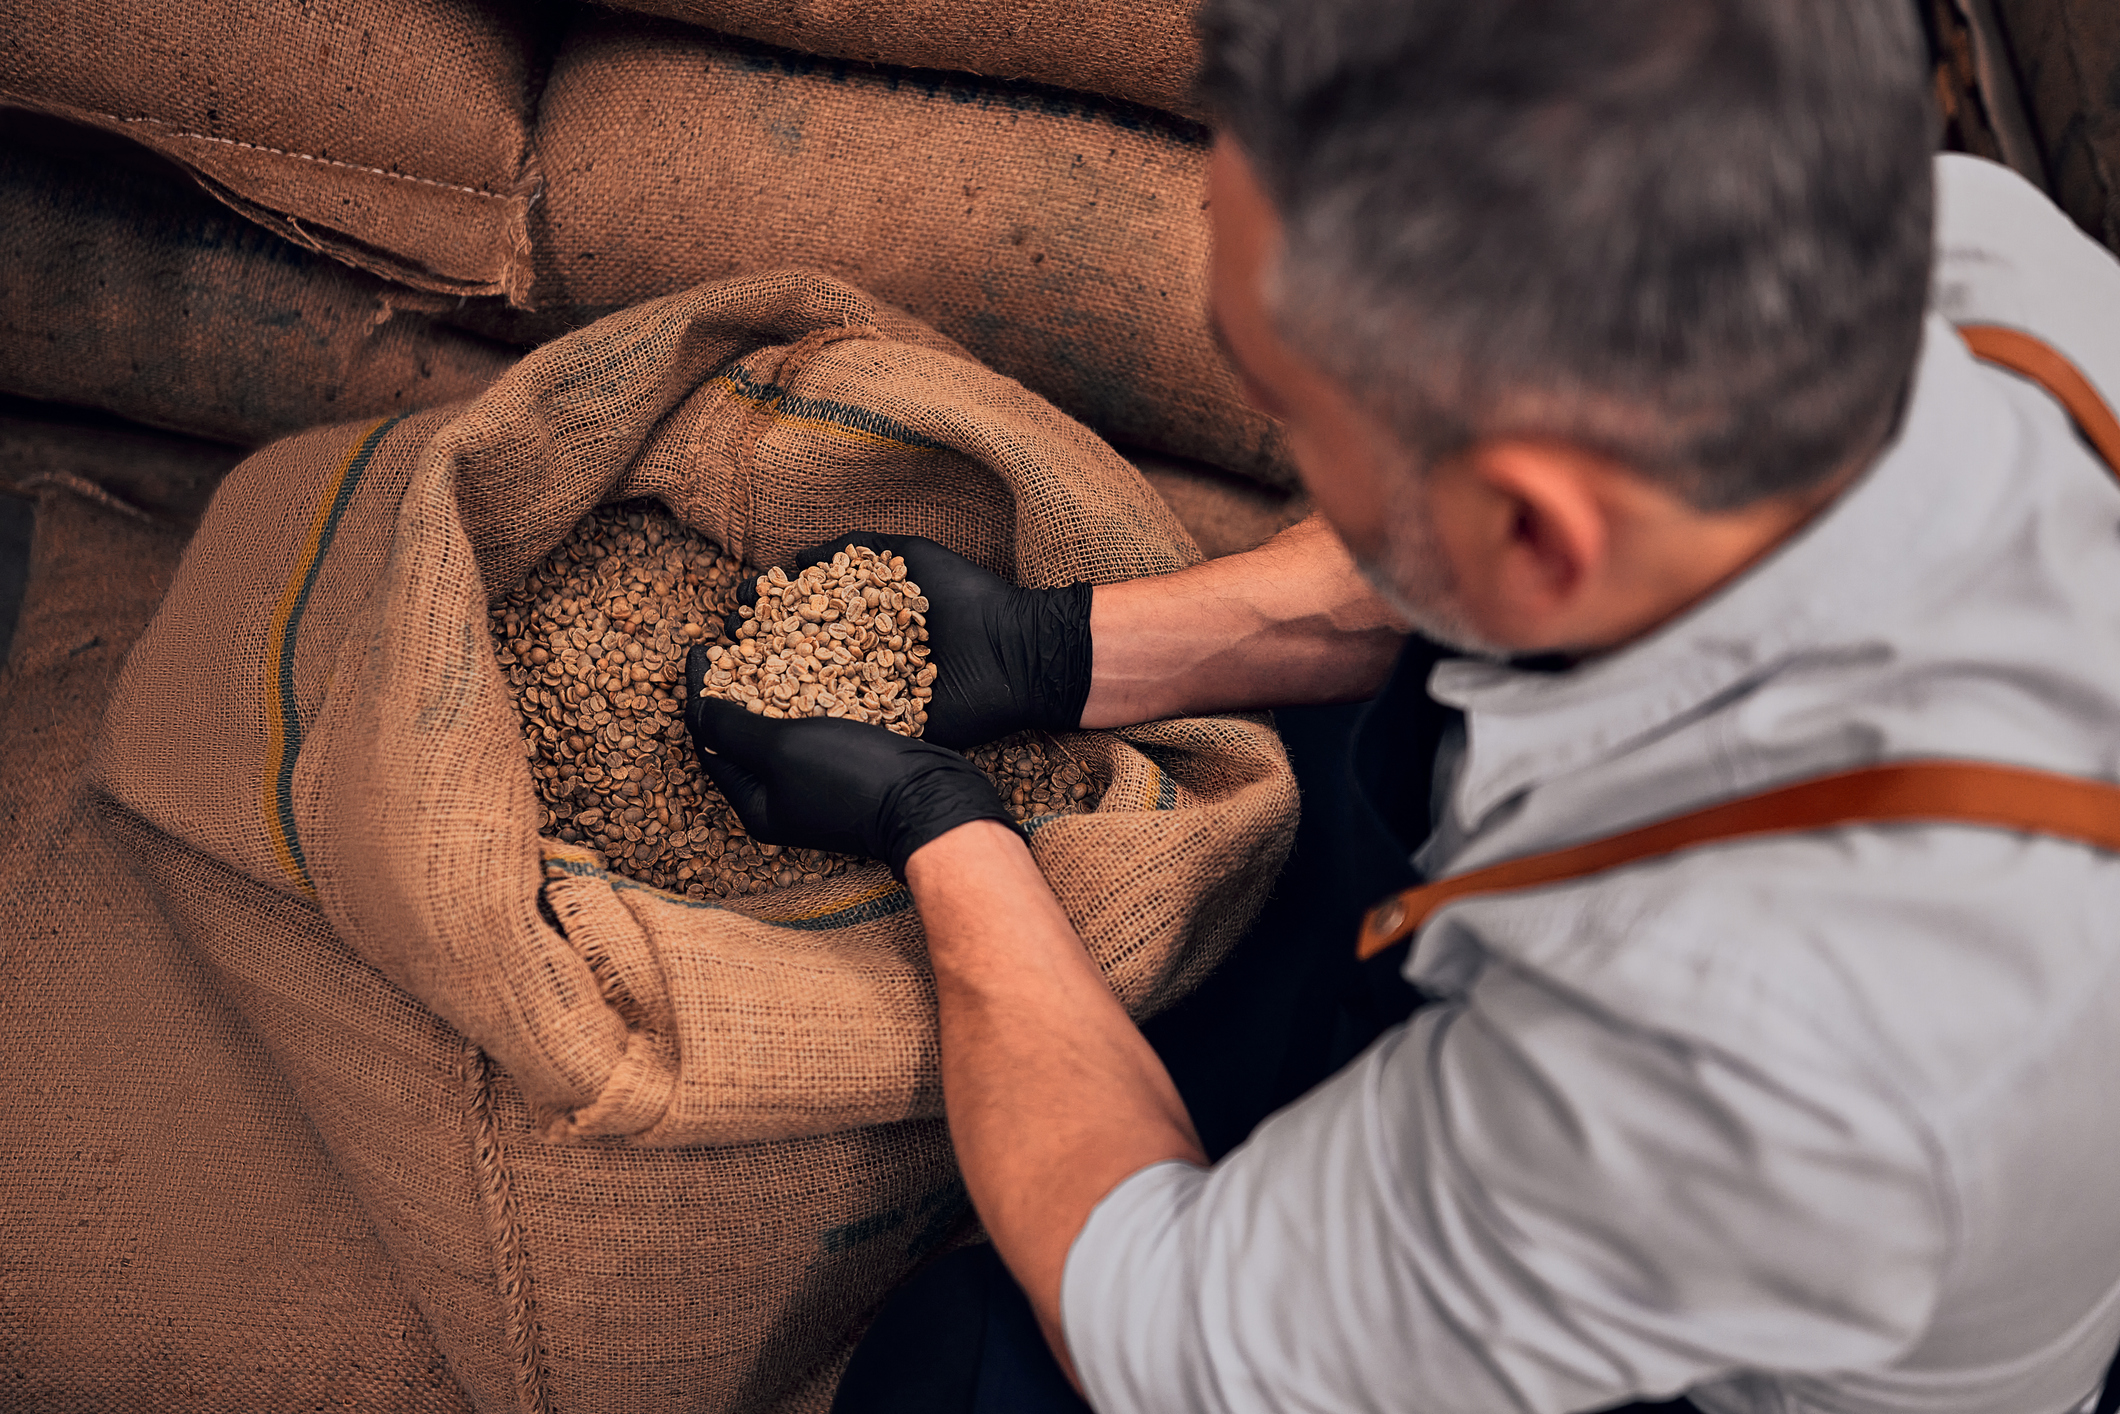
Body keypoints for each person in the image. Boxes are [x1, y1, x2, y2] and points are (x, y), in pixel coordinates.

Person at [683, 0, 2120, 1410]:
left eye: (1296, 414)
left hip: (1729, 1312)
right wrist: (1076, 652)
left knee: (962, 1366)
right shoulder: (1981, 267)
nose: (1294, 457)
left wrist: (948, 831)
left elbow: (1157, 1326)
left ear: (1539, 537)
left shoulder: (1734, 1064)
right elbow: (1471, 548)